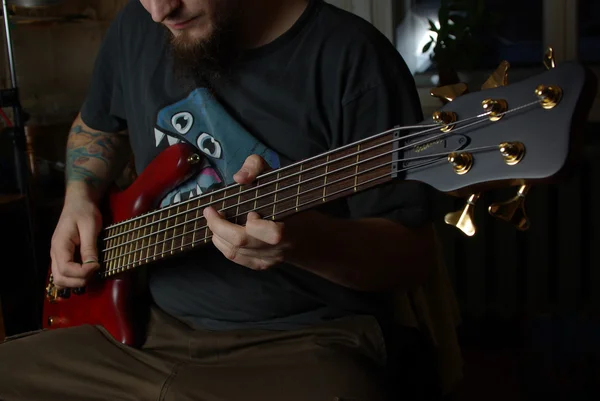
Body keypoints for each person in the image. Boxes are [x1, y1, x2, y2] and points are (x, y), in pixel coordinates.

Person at [0, 0, 447, 400]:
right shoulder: (136, 26)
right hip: (141, 335)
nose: (160, 11)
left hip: (301, 344)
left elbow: (411, 256)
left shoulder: (353, 57)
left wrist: (307, 242)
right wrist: (78, 197)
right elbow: (95, 127)